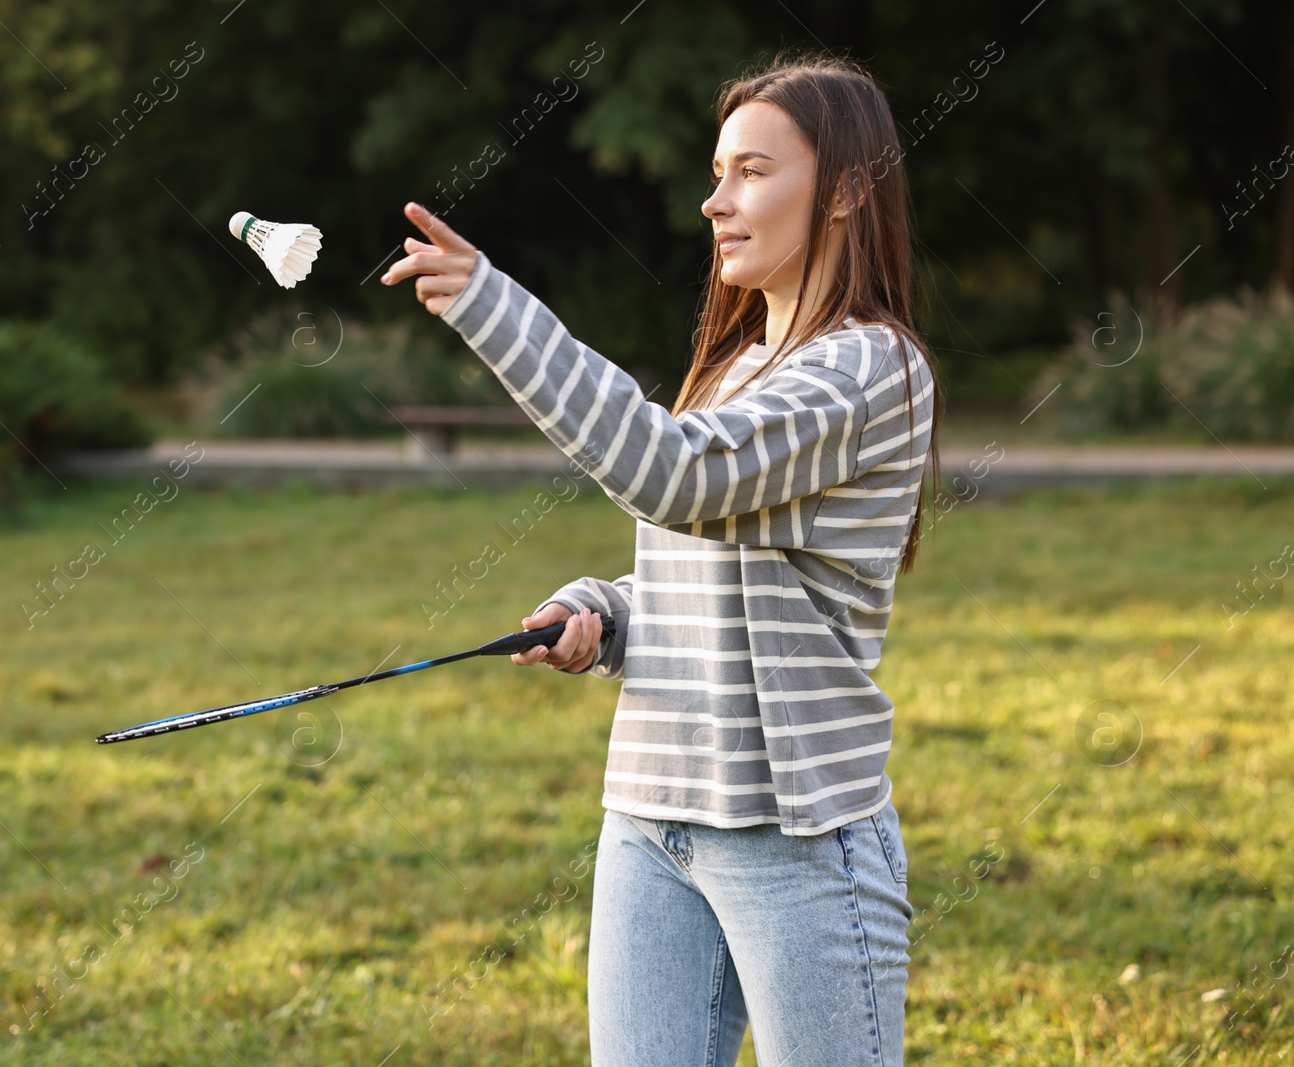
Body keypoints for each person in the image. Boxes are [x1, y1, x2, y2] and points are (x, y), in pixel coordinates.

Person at [382, 51, 940, 1067]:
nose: (713, 201)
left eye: (751, 172)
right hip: (650, 815)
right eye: (718, 172)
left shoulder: (870, 369)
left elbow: (671, 476)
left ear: (849, 190)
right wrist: (601, 614)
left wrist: (491, 308)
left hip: (793, 835)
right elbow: (711, 568)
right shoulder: (731, 367)